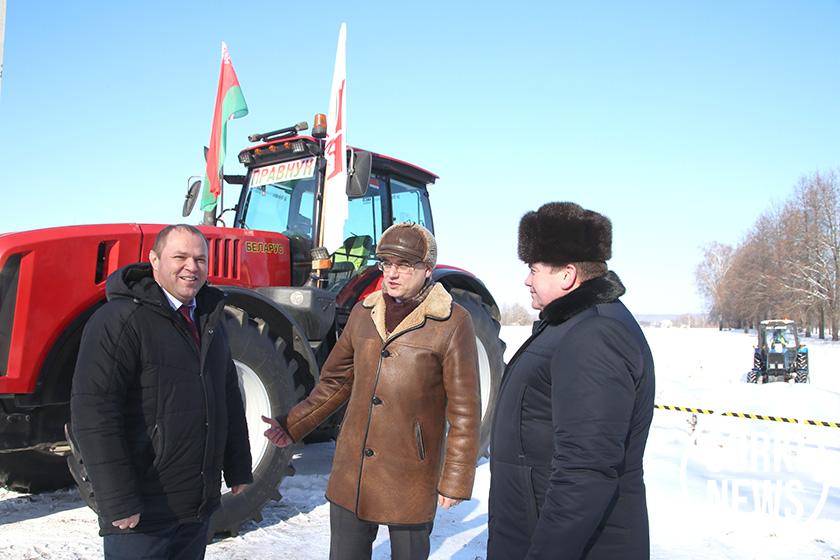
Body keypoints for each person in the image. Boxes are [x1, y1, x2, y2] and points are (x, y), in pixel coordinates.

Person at [262, 222, 481, 560]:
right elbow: (335, 382)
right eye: (386, 263)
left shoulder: (451, 322)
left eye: (404, 265)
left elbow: (465, 411)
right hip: (353, 470)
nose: (392, 273)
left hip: (411, 472)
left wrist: (455, 479)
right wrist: (293, 423)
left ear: (427, 269)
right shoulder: (365, 313)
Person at [70, 224, 253, 559]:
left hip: (195, 508)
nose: (191, 267)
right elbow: (93, 413)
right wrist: (118, 499)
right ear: (154, 260)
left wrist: (238, 464)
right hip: (141, 514)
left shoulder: (209, 320)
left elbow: (226, 394)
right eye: (180, 257)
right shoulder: (120, 320)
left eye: (200, 259)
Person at [487, 202, 655, 560]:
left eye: (534, 269)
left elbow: (585, 471)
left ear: (567, 275)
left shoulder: (595, 334)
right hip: (535, 530)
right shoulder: (569, 326)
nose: (527, 280)